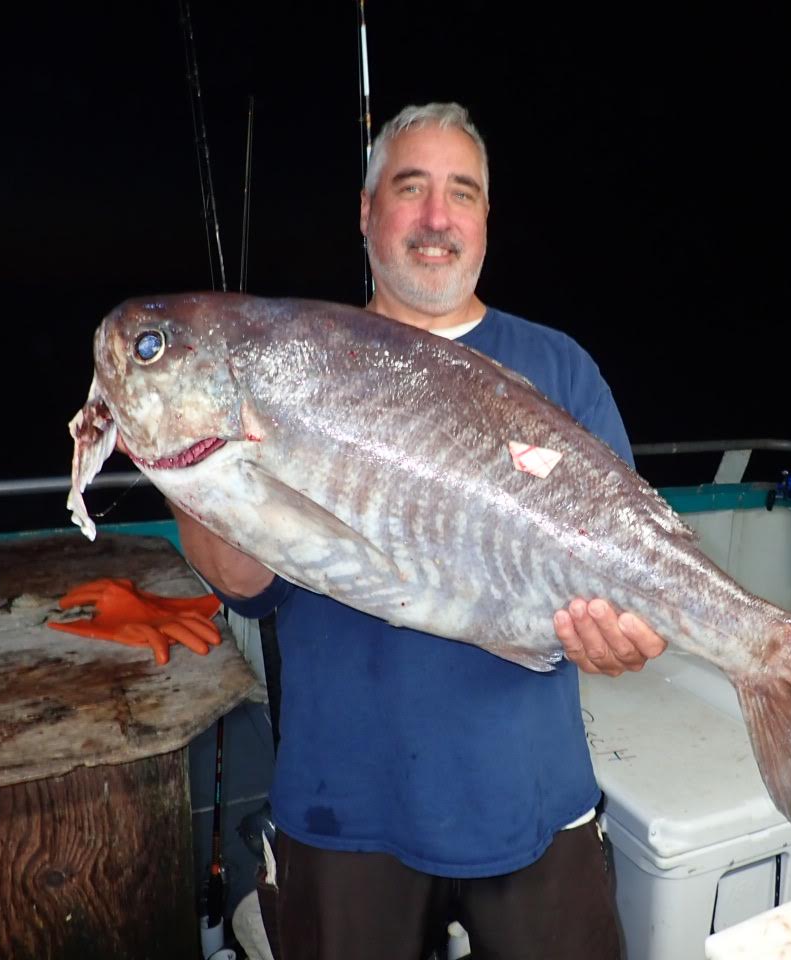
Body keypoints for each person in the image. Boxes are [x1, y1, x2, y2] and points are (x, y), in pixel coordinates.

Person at [174, 102, 667, 960]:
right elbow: (244, 583)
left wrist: (630, 634)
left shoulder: (557, 368)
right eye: (411, 188)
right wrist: (190, 456)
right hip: (343, 805)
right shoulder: (300, 360)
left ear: (483, 221)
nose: (437, 218)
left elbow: (635, 571)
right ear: (367, 212)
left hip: (531, 795)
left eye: (462, 194)